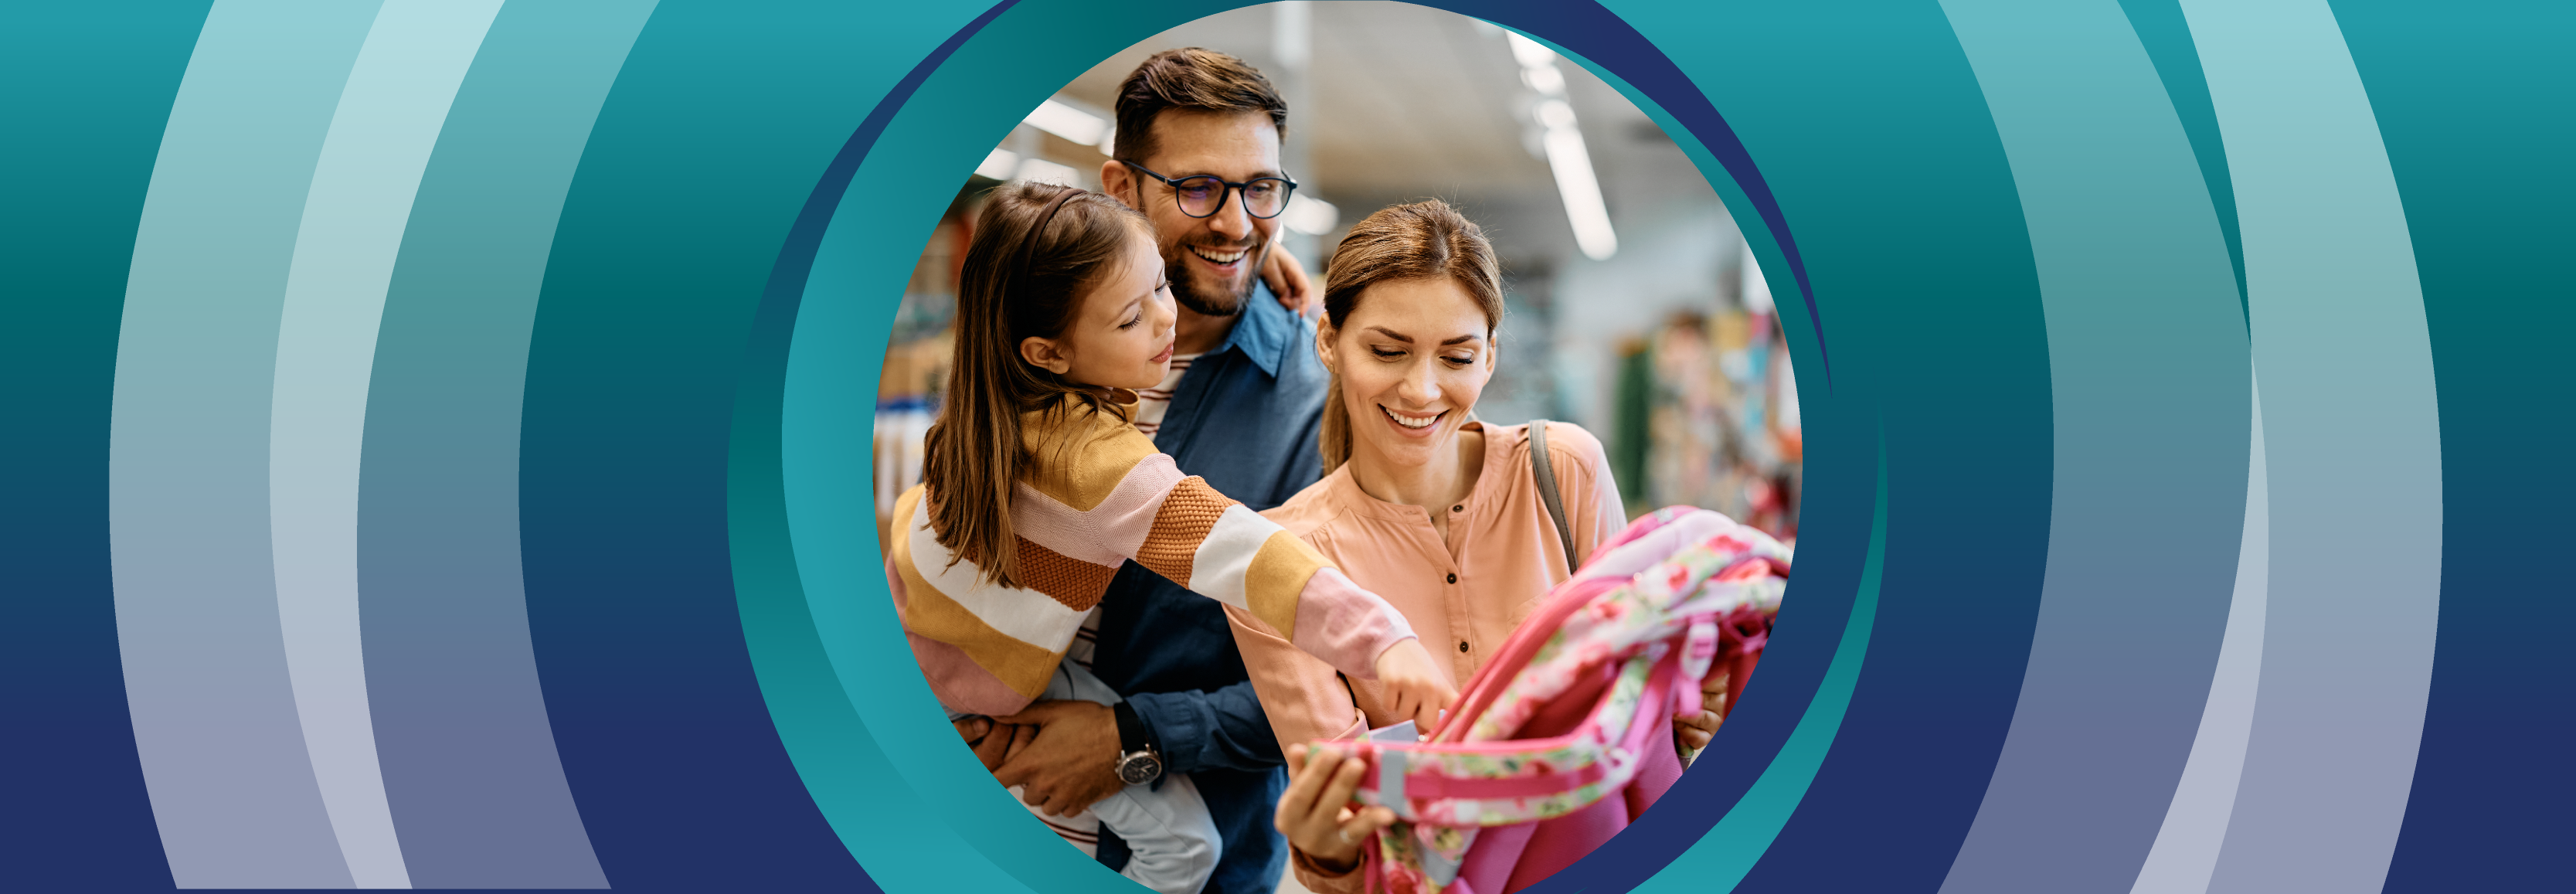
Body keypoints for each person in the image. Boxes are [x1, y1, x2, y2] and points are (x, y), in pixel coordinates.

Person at [889, 180, 1457, 894]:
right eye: (1132, 316)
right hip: (974, 687)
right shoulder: (1096, 464)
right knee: (1188, 848)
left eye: (1162, 283)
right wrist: (1385, 639)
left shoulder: (982, 410)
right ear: (1050, 352)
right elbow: (1250, 556)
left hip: (923, 636)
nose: (1168, 318)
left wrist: (1274, 268)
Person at [1227, 200, 1736, 893]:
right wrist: (1327, 853)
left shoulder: (1564, 471)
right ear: (1329, 341)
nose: (1422, 388)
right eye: (1387, 350)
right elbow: (1354, 836)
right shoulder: (1281, 562)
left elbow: (1651, 710)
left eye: (1458, 356)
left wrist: (1689, 708)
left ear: (1491, 355)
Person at [953, 48, 1334, 894]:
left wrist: (1135, 735)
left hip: (1189, 860)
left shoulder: (1316, 406)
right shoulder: (1035, 345)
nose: (1237, 223)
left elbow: (1334, 677)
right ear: (1121, 188)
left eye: (1260, 188)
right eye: (1198, 187)